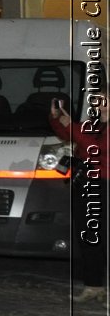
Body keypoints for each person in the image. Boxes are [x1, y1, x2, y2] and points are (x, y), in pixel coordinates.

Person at [51, 92, 107, 302]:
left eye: (103, 99)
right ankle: (93, 285)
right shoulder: (93, 125)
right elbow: (67, 134)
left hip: (105, 185)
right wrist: (58, 119)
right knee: (88, 234)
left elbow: (99, 148)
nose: (97, 103)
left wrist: (71, 126)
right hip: (85, 183)